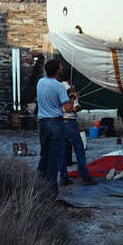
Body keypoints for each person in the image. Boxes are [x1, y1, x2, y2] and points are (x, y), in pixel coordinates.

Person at [35, 58, 74, 197]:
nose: (62, 68)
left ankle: (37, 186)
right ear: (57, 70)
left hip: (43, 123)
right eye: (61, 66)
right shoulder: (59, 86)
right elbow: (68, 108)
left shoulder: (40, 82)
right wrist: (73, 96)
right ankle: (51, 192)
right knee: (54, 158)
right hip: (55, 123)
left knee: (44, 155)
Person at [57, 76, 97, 186]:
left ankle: (63, 177)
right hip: (70, 122)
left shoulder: (55, 89)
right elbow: (71, 108)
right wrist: (75, 99)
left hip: (59, 122)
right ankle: (85, 177)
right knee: (79, 149)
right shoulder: (70, 90)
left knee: (62, 151)